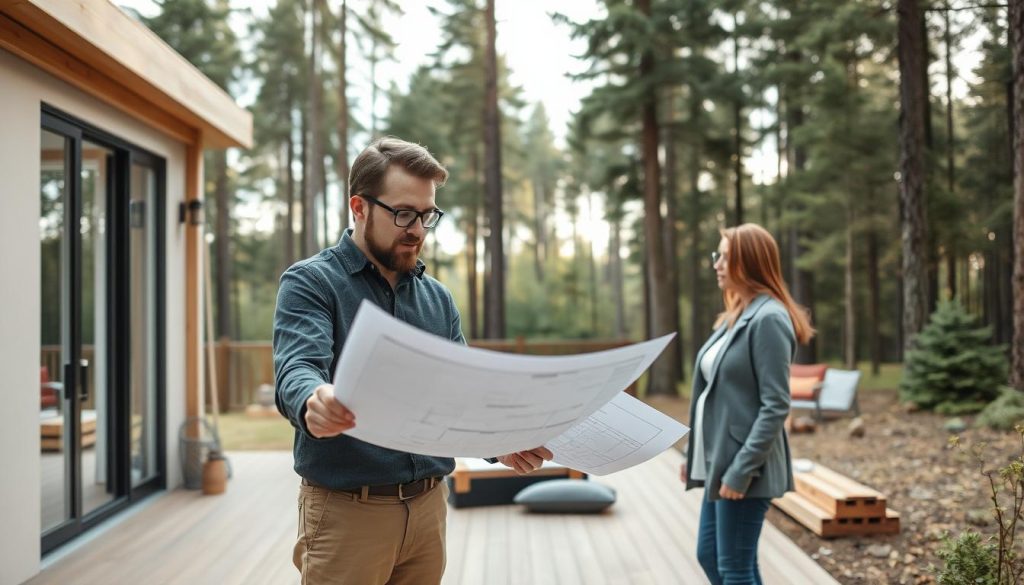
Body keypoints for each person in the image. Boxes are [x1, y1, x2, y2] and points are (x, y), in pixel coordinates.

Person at [273, 136, 551, 585]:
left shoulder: (437, 299)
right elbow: (298, 367)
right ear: (359, 207)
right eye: (403, 213)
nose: (417, 229)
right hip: (348, 515)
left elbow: (461, 395)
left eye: (427, 215)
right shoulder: (312, 283)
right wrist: (314, 400)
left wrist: (501, 442)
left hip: (428, 511)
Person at [680, 223, 814, 585]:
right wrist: (692, 455)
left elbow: (775, 406)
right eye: (717, 255)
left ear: (749, 261)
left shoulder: (769, 319)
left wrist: (741, 470)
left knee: (734, 569)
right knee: (712, 556)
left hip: (745, 467)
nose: (717, 264)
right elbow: (711, 395)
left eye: (725, 256)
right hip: (718, 462)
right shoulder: (734, 317)